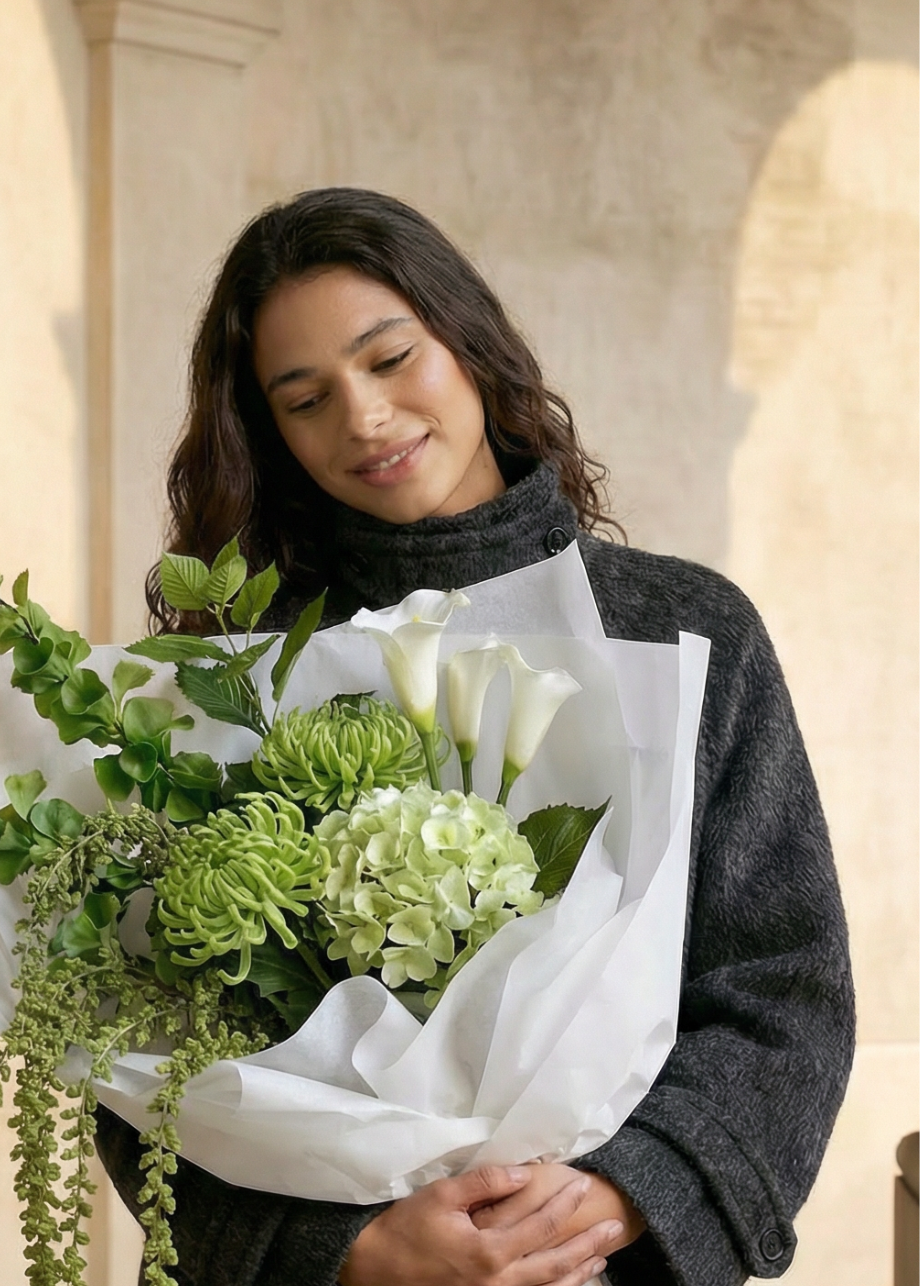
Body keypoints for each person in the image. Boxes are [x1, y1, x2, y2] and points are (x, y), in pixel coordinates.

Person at [96, 187, 855, 1286]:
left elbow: (785, 986)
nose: (362, 417)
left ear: (468, 344)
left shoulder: (688, 630)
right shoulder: (234, 680)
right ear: (270, 434)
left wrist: (610, 1201)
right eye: (305, 398)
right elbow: (141, 1060)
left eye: (391, 358)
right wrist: (349, 1248)